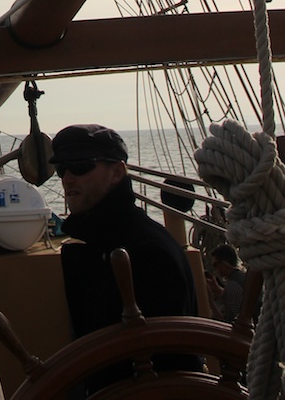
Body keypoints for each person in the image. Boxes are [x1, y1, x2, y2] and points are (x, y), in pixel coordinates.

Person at [51, 123, 200, 394]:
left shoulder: (147, 252)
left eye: (81, 166)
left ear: (117, 172)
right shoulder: (108, 242)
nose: (68, 178)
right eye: (62, 169)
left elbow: (173, 365)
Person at [207, 243, 249, 323]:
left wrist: (210, 301)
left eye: (215, 264)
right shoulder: (243, 277)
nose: (214, 269)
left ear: (224, 263)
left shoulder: (232, 285)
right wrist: (218, 290)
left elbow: (226, 324)